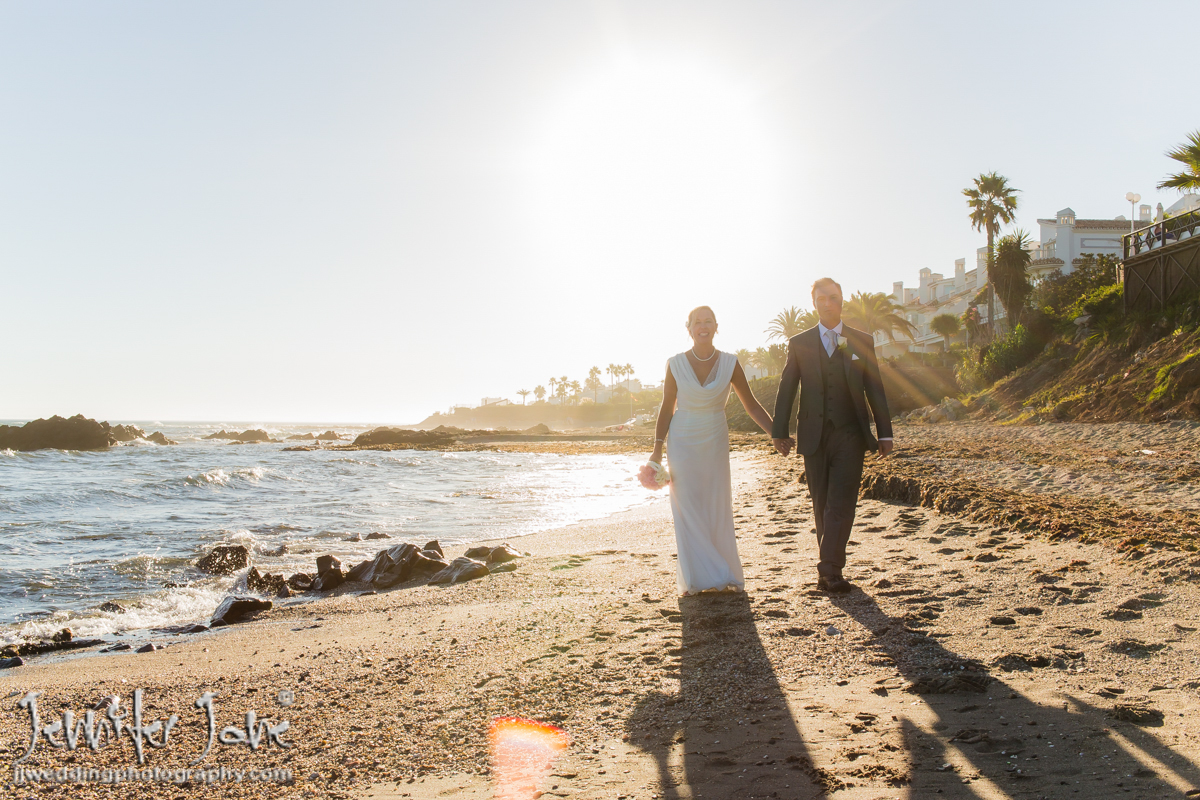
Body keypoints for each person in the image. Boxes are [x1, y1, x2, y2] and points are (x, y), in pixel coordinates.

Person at [771, 278, 893, 594]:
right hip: (813, 434)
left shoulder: (861, 340)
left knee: (841, 502)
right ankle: (829, 570)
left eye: (834, 297)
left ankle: (830, 570)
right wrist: (779, 432)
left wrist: (885, 433)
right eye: (822, 298)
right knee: (822, 503)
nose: (829, 303)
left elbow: (875, 387)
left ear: (843, 300)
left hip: (851, 433)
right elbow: (787, 388)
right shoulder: (799, 343)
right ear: (814, 303)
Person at [650, 306, 776, 595]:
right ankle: (698, 577)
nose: (703, 327)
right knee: (687, 506)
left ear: (716, 327)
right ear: (689, 328)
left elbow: (752, 404)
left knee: (716, 503)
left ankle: (722, 571)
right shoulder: (675, 363)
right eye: (698, 322)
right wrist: (656, 450)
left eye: (708, 322)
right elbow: (667, 407)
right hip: (682, 440)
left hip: (715, 438)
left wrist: (776, 434)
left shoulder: (731, 363)